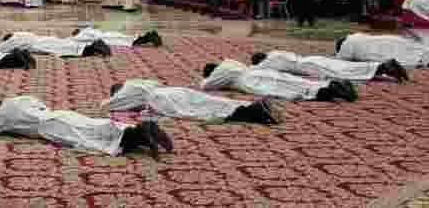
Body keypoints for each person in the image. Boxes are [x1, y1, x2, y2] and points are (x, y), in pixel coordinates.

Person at [0, 96, 173, 158]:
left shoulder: (1, 114)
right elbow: (40, 103)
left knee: (87, 140)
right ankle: (141, 132)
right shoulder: (20, 99)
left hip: (48, 127)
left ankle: (139, 133)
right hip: (60, 114)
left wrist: (0, 122)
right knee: (95, 126)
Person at [105, 79, 282, 125]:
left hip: (163, 99)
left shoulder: (127, 93)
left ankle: (253, 113)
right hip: (176, 91)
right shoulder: (142, 84)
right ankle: (253, 107)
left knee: (201, 111)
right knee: (213, 101)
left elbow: (108, 105)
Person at [200, 59, 358, 102]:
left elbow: (206, 86)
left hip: (253, 81)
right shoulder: (231, 63)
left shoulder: (221, 71)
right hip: (261, 73)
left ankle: (332, 91)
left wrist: (205, 79)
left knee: (287, 89)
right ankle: (331, 85)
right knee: (293, 81)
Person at [250, 50, 408, 83]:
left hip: (309, 66)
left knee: (345, 72)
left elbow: (255, 71)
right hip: (311, 59)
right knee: (345, 66)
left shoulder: (268, 61)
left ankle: (384, 67)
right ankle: (383, 68)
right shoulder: (275, 52)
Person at [334, 33, 429, 68]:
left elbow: (341, 60)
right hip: (391, 41)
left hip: (385, 51)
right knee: (420, 50)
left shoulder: (348, 44)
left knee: (418, 57)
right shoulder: (355, 36)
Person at [0, 31, 111, 58]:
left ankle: (93, 48)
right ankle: (93, 46)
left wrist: (2, 43)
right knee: (66, 44)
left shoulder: (12, 41)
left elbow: (1, 49)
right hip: (44, 40)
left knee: (66, 49)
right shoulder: (20, 33)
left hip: (41, 45)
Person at [70, 27, 162, 47]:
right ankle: (149, 36)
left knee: (128, 41)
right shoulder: (87, 30)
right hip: (108, 34)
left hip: (107, 38)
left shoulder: (83, 33)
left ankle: (149, 37)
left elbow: (82, 40)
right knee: (127, 39)